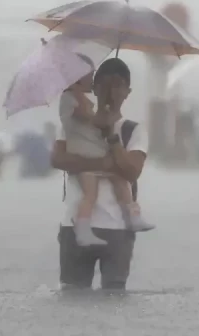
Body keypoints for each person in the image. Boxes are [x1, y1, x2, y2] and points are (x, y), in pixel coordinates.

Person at [52, 58, 149, 291]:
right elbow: (59, 159)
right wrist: (103, 163)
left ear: (128, 91)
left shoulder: (132, 130)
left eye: (118, 86)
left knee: (114, 298)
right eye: (104, 85)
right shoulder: (73, 124)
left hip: (118, 229)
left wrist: (111, 137)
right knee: (71, 298)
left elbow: (132, 171)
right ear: (94, 88)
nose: (111, 92)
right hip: (74, 227)